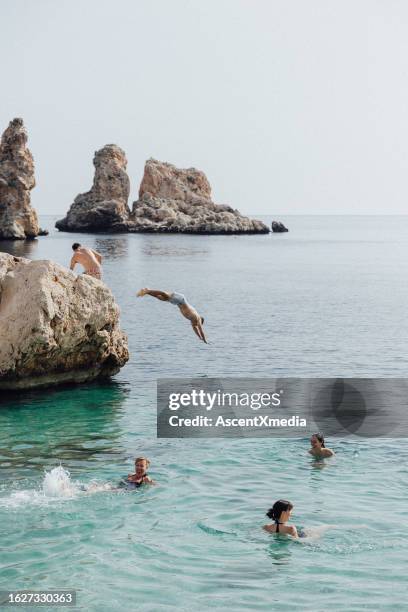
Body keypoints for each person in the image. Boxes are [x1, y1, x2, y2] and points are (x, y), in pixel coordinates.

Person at [136, 288, 208, 344]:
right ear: (200, 321)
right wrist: (204, 340)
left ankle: (147, 291)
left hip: (178, 302)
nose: (195, 325)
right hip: (181, 300)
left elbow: (195, 329)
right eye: (197, 324)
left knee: (161, 298)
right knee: (164, 294)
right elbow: (200, 330)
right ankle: (148, 290)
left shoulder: (193, 321)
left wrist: (199, 338)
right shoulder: (198, 318)